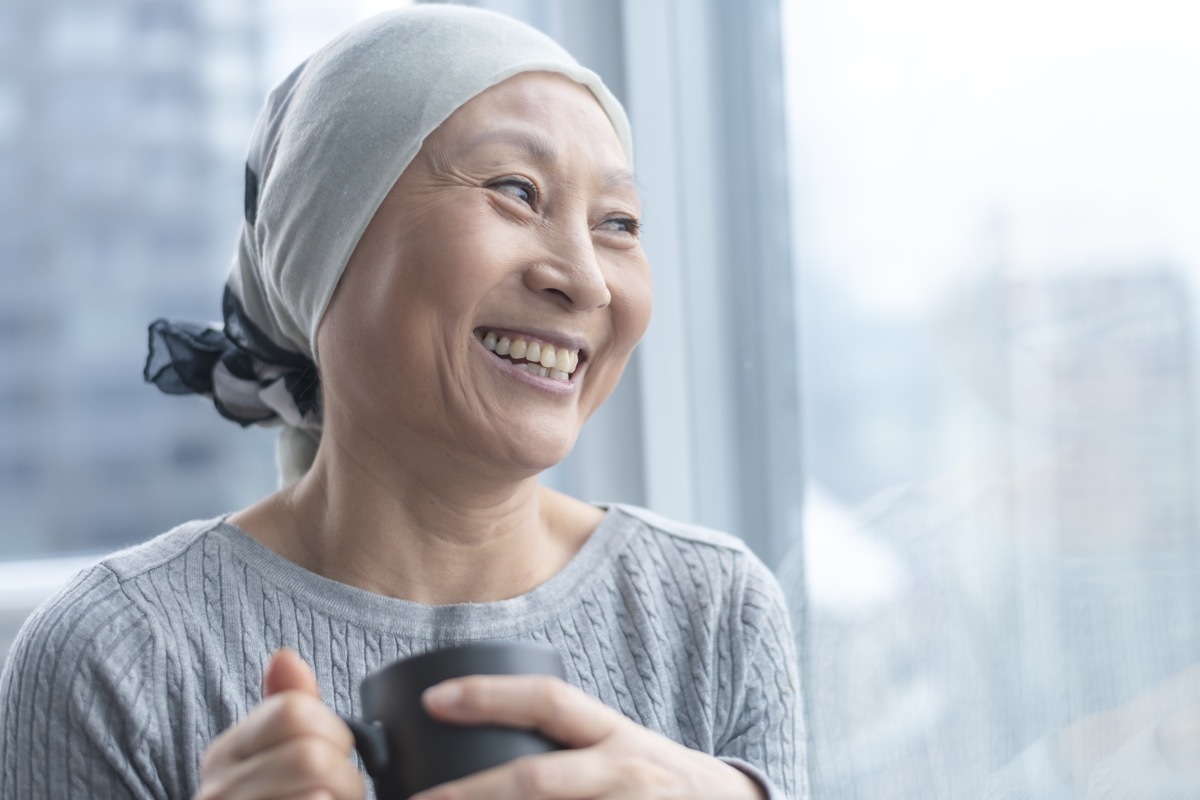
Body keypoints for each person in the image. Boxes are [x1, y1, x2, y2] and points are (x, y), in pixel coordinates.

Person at [0, 6, 803, 799]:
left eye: (618, 223)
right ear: (325, 250)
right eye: (516, 191)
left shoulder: (716, 613)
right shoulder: (117, 655)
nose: (586, 279)